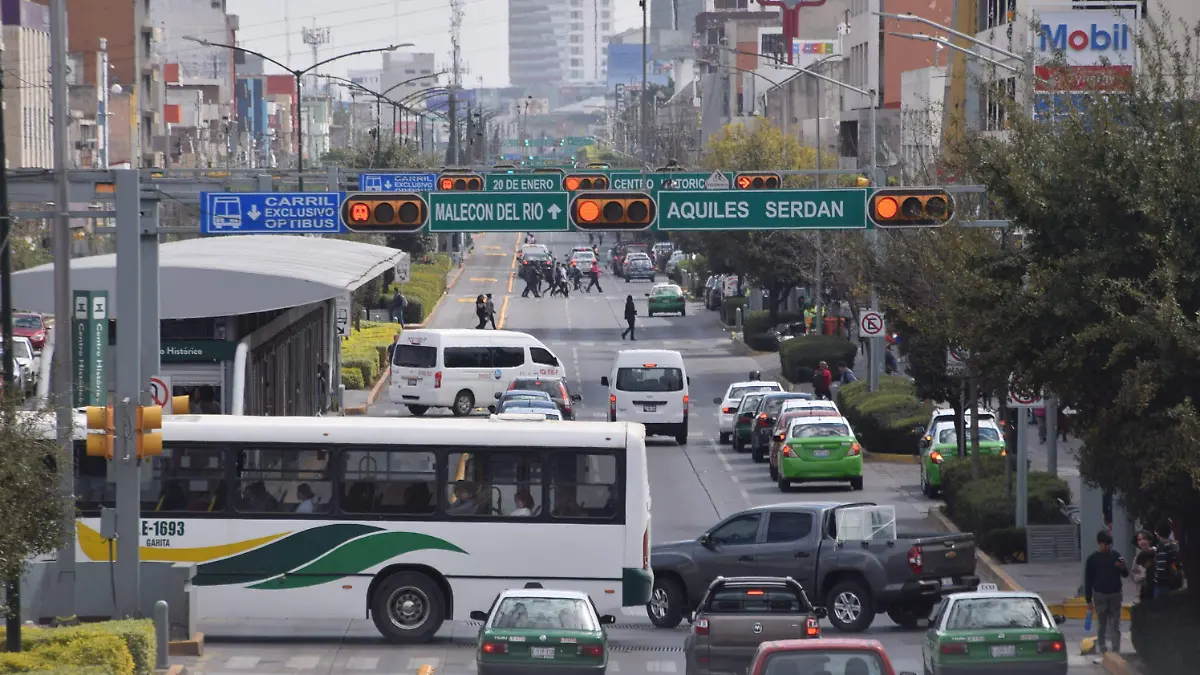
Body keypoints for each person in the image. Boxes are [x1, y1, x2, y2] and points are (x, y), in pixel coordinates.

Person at [1084, 529, 1128, 662]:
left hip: (1115, 593)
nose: (1107, 547)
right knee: (1102, 623)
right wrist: (1088, 600)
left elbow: (1125, 574)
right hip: (1100, 595)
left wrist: (1121, 567)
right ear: (1099, 544)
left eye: (1109, 544)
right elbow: (1088, 580)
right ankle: (1103, 648)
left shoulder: (1116, 555)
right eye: (1105, 544)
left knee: (1115, 624)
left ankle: (1116, 649)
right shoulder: (1092, 559)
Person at [1152, 520, 1184, 597]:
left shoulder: (1162, 546)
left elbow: (1161, 567)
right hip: (1175, 580)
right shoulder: (1174, 545)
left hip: (1164, 583)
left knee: (1161, 605)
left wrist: (1157, 579)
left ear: (1158, 533)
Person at [1132, 529, 1157, 603]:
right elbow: (1133, 573)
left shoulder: (1156, 552)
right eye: (1139, 540)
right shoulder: (1137, 558)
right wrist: (1140, 577)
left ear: (1149, 540)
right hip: (1143, 590)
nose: (1142, 541)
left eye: (1144, 539)